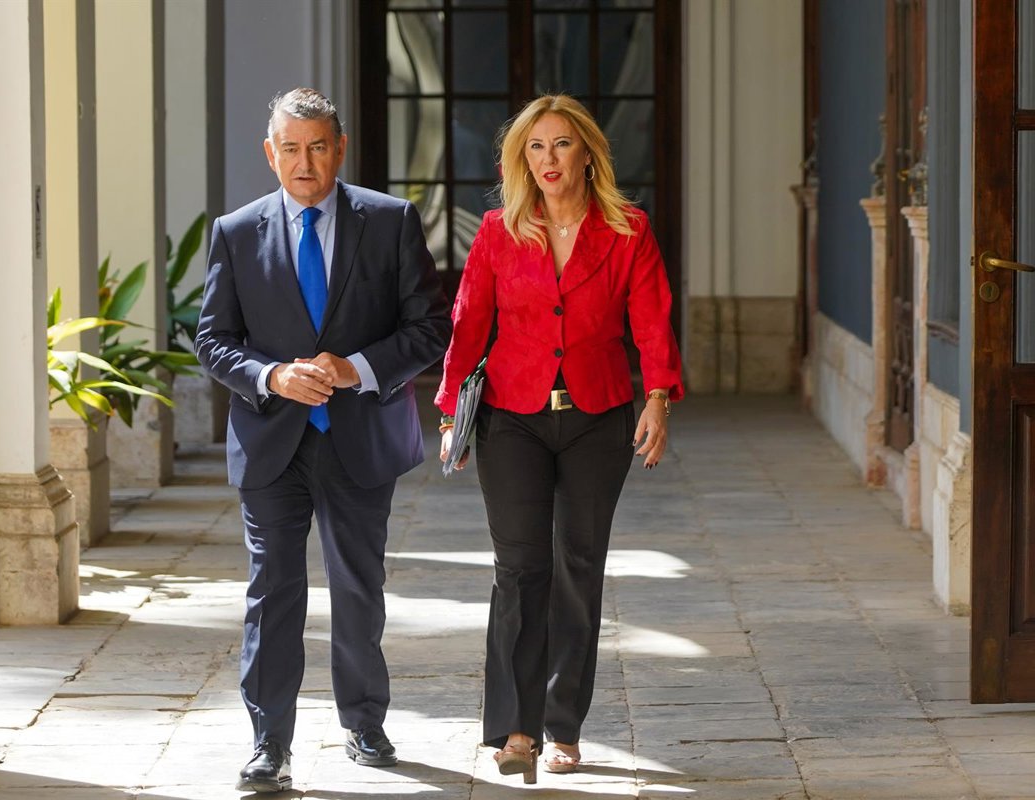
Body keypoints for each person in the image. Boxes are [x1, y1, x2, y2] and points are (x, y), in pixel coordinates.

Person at [194, 87, 451, 794]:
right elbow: (213, 340)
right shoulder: (235, 232)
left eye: (317, 147)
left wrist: (355, 367)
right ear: (269, 152)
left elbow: (431, 326)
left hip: (358, 436)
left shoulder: (390, 221)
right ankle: (268, 743)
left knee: (358, 586)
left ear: (339, 149)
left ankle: (364, 722)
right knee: (272, 593)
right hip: (271, 440)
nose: (304, 162)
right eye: (290, 148)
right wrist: (271, 375)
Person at [435, 94, 683, 784]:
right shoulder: (498, 230)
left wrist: (658, 397)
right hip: (511, 416)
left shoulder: (628, 229)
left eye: (562, 144)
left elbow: (652, 317)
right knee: (519, 568)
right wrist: (452, 409)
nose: (549, 159)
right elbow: (468, 321)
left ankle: (563, 724)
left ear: (587, 154)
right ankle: (517, 729)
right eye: (536, 146)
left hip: (597, 417)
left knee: (578, 565)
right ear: (522, 159)